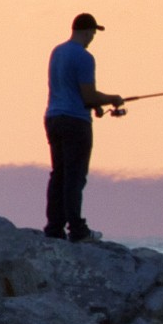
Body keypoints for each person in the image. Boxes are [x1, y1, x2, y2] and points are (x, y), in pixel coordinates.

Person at [44, 13, 123, 242]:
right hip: (75, 122)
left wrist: (95, 106)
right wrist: (113, 99)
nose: (92, 38)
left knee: (58, 175)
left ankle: (54, 229)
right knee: (75, 177)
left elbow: (71, 90)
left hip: (53, 118)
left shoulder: (57, 52)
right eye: (93, 34)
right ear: (87, 31)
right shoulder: (84, 57)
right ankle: (77, 230)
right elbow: (88, 96)